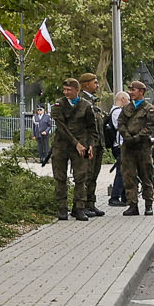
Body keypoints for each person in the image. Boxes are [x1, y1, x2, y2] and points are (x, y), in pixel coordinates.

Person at [49, 77, 101, 221]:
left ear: (77, 90)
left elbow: (92, 128)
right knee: (60, 177)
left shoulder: (86, 106)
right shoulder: (59, 104)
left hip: (81, 146)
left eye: (69, 90)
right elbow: (61, 127)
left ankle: (79, 208)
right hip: (62, 144)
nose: (66, 92)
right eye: (64, 90)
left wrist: (90, 145)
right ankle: (62, 208)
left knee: (81, 177)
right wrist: (75, 143)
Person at [119, 82, 154, 215]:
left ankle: (148, 204)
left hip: (143, 147)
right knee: (128, 176)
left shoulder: (149, 109)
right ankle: (132, 204)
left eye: (133, 90)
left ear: (142, 92)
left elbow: (151, 127)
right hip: (128, 147)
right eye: (130, 89)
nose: (131, 92)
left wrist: (136, 137)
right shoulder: (126, 108)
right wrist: (127, 136)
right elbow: (121, 123)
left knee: (146, 175)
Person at [76, 73, 106, 208]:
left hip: (98, 143)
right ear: (86, 84)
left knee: (94, 175)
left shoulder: (93, 101)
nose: (97, 85)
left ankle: (91, 203)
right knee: (86, 176)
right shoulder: (81, 100)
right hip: (88, 144)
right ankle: (82, 204)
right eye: (95, 82)